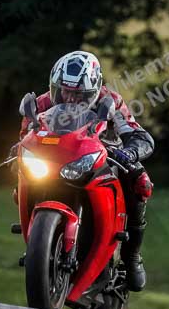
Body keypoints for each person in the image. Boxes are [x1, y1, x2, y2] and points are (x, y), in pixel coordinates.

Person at [19, 51, 154, 291]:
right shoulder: (42, 103)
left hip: (102, 158)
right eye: (64, 91)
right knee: (22, 175)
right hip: (57, 159)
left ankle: (132, 256)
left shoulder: (111, 101)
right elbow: (25, 135)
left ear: (93, 91)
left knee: (140, 181)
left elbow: (140, 136)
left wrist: (130, 151)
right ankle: (41, 241)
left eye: (78, 95)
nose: (69, 99)